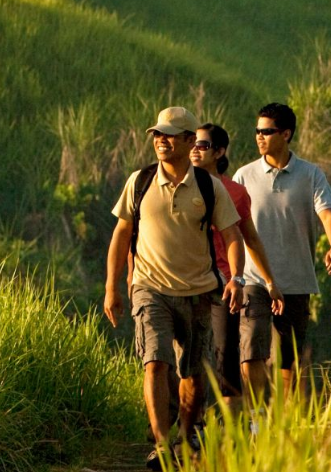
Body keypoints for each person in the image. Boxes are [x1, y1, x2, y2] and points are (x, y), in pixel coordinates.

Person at [104, 106, 245, 471]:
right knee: (154, 362)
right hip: (149, 288)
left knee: (193, 375)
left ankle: (185, 433)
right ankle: (162, 446)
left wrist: (237, 279)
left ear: (187, 141)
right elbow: (121, 234)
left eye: (169, 135)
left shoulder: (209, 187)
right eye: (156, 135)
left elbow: (232, 235)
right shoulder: (139, 181)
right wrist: (113, 288)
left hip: (199, 291)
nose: (161, 141)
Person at [232, 103, 331, 401]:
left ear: (286, 134)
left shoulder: (310, 174)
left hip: (295, 279)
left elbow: (328, 212)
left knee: (289, 357)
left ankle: (284, 421)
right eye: (257, 131)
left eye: (267, 131)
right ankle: (255, 418)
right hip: (254, 278)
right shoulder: (244, 175)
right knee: (251, 347)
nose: (259, 137)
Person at [189, 123, 284, 412]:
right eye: (192, 143)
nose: (195, 149)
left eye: (203, 145)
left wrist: (268, 281)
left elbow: (250, 238)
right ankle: (185, 427)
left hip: (223, 285)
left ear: (219, 152)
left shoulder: (235, 192)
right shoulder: (177, 186)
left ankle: (228, 432)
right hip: (184, 281)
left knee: (224, 358)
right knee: (187, 358)